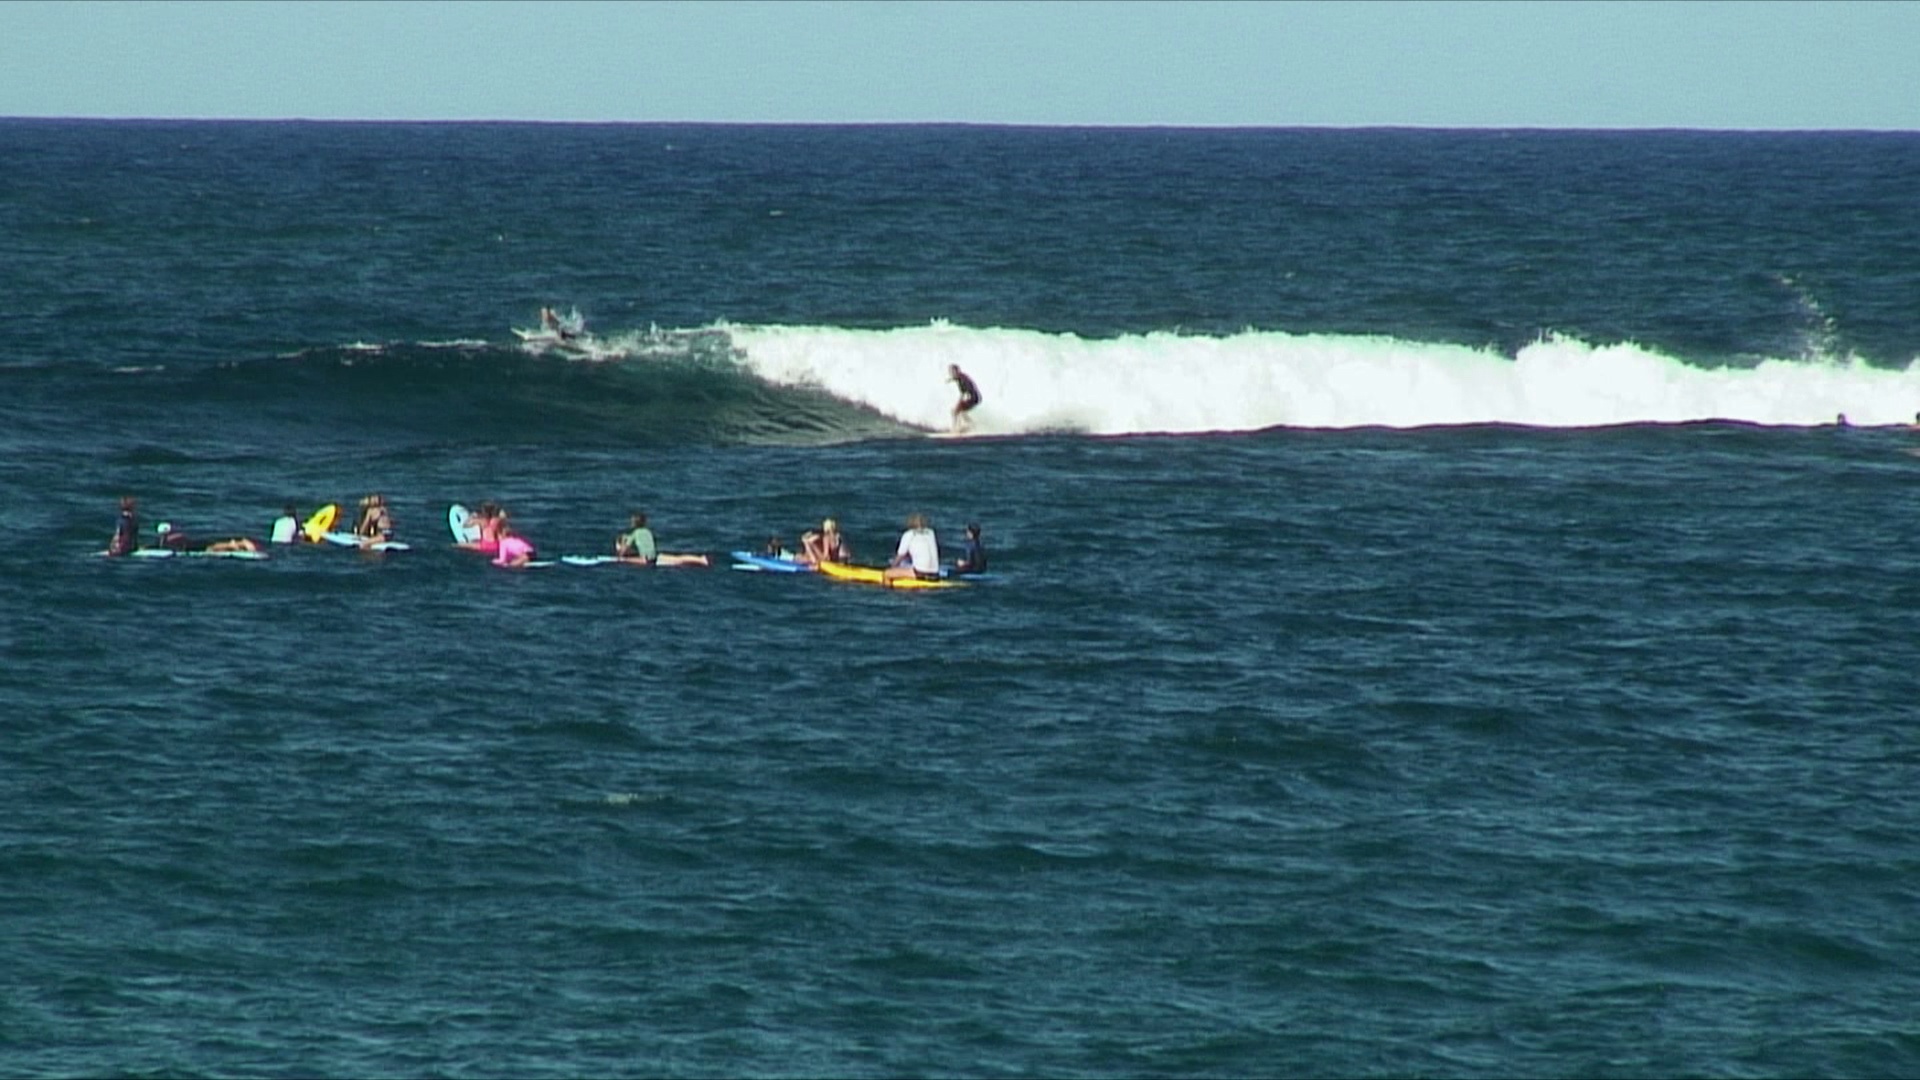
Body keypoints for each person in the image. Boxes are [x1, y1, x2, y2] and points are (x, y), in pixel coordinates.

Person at [614, 510, 710, 567]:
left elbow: (624, 550)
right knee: (679, 558)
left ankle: (700, 560)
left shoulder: (635, 533)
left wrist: (619, 554)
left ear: (634, 523)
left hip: (646, 561)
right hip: (656, 557)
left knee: (623, 560)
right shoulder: (648, 531)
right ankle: (701, 559)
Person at [884, 512, 941, 581]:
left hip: (920, 573)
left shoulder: (909, 534)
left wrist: (892, 567)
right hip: (935, 574)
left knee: (887, 574)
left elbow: (900, 556)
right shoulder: (931, 533)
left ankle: (888, 591)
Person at [947, 364, 982, 432]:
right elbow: (955, 379)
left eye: (952, 372)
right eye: (950, 372)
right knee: (959, 412)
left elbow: (967, 389)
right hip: (974, 397)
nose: (951, 373)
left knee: (956, 411)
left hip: (973, 397)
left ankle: (955, 429)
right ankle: (969, 426)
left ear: (957, 371)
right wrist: (949, 380)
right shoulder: (959, 377)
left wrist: (964, 398)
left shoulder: (963, 379)